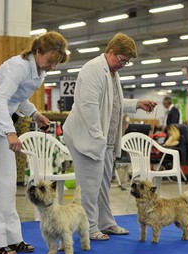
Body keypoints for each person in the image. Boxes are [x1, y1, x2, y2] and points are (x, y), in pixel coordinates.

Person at [0, 31, 68, 254]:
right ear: (37, 51)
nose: (52, 67)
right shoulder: (17, 66)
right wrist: (11, 132)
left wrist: (35, 114)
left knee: (7, 183)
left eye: (56, 63)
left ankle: (12, 237)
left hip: (1, 124)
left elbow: (18, 98)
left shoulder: (38, 71)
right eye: (50, 61)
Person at [62, 33, 157, 241]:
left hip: (105, 139)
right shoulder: (92, 70)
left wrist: (137, 104)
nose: (123, 64)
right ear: (111, 52)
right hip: (87, 137)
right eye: (121, 59)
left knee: (104, 183)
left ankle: (105, 222)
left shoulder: (112, 71)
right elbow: (89, 107)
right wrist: (97, 138)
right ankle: (89, 228)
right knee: (90, 184)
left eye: (127, 62)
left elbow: (114, 101)